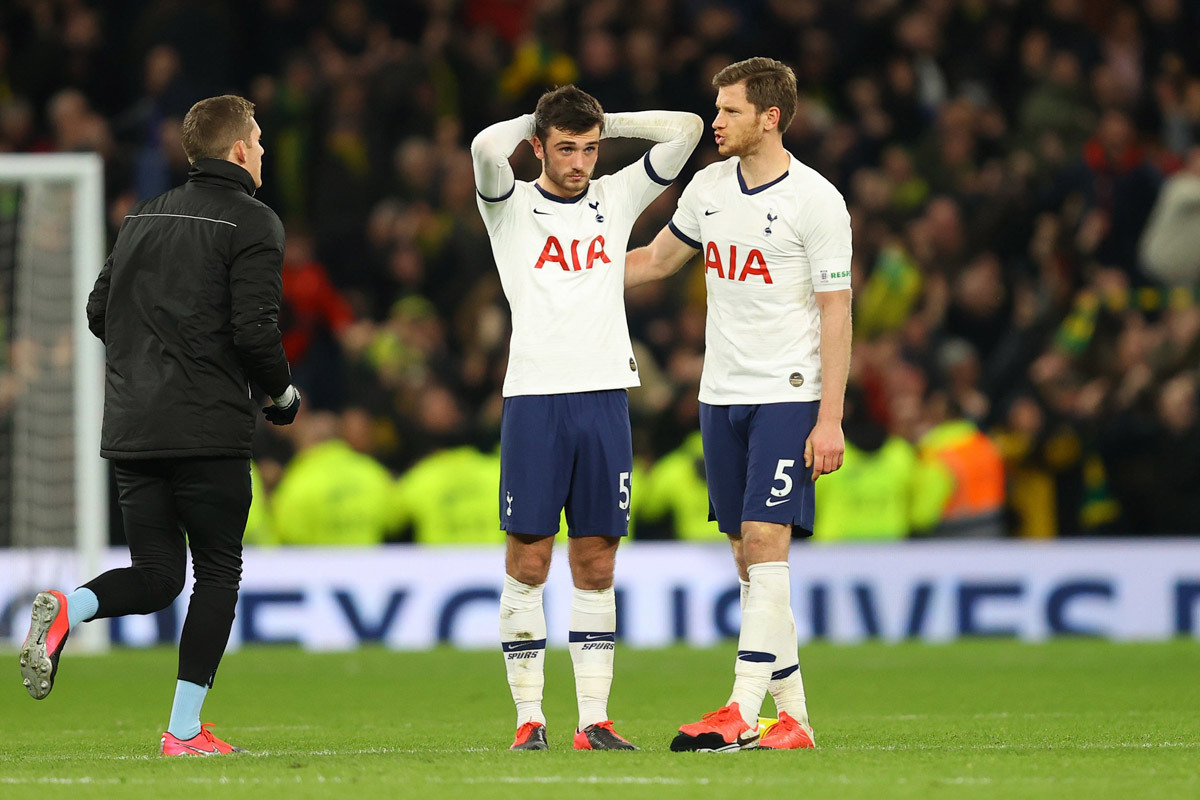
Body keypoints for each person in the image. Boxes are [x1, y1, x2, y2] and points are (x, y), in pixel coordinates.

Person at [18, 95, 301, 757]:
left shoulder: (143, 216)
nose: (261, 150)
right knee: (219, 573)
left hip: (134, 427)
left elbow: (98, 311)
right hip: (207, 427)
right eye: (257, 140)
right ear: (238, 151)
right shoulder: (253, 222)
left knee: (156, 575)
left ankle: (71, 607)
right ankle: (182, 730)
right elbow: (253, 330)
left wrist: (153, 350)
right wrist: (281, 394)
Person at [624, 57, 853, 751]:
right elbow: (657, 261)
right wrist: (568, 263)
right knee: (748, 561)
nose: (715, 123)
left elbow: (836, 311)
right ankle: (794, 721)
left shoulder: (817, 200)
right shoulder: (709, 188)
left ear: (770, 117)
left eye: (728, 111)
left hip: (788, 393)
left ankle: (740, 709)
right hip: (719, 396)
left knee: (764, 542)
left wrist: (831, 416)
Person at [470, 85, 702, 751]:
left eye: (590, 149)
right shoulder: (509, 206)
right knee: (529, 559)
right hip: (536, 400)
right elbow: (486, 147)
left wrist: (610, 123)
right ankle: (528, 718)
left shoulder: (613, 196)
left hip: (605, 397)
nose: (580, 162)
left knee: (597, 561)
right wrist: (534, 120)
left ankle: (593, 720)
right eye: (566, 148)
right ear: (539, 146)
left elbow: (684, 130)